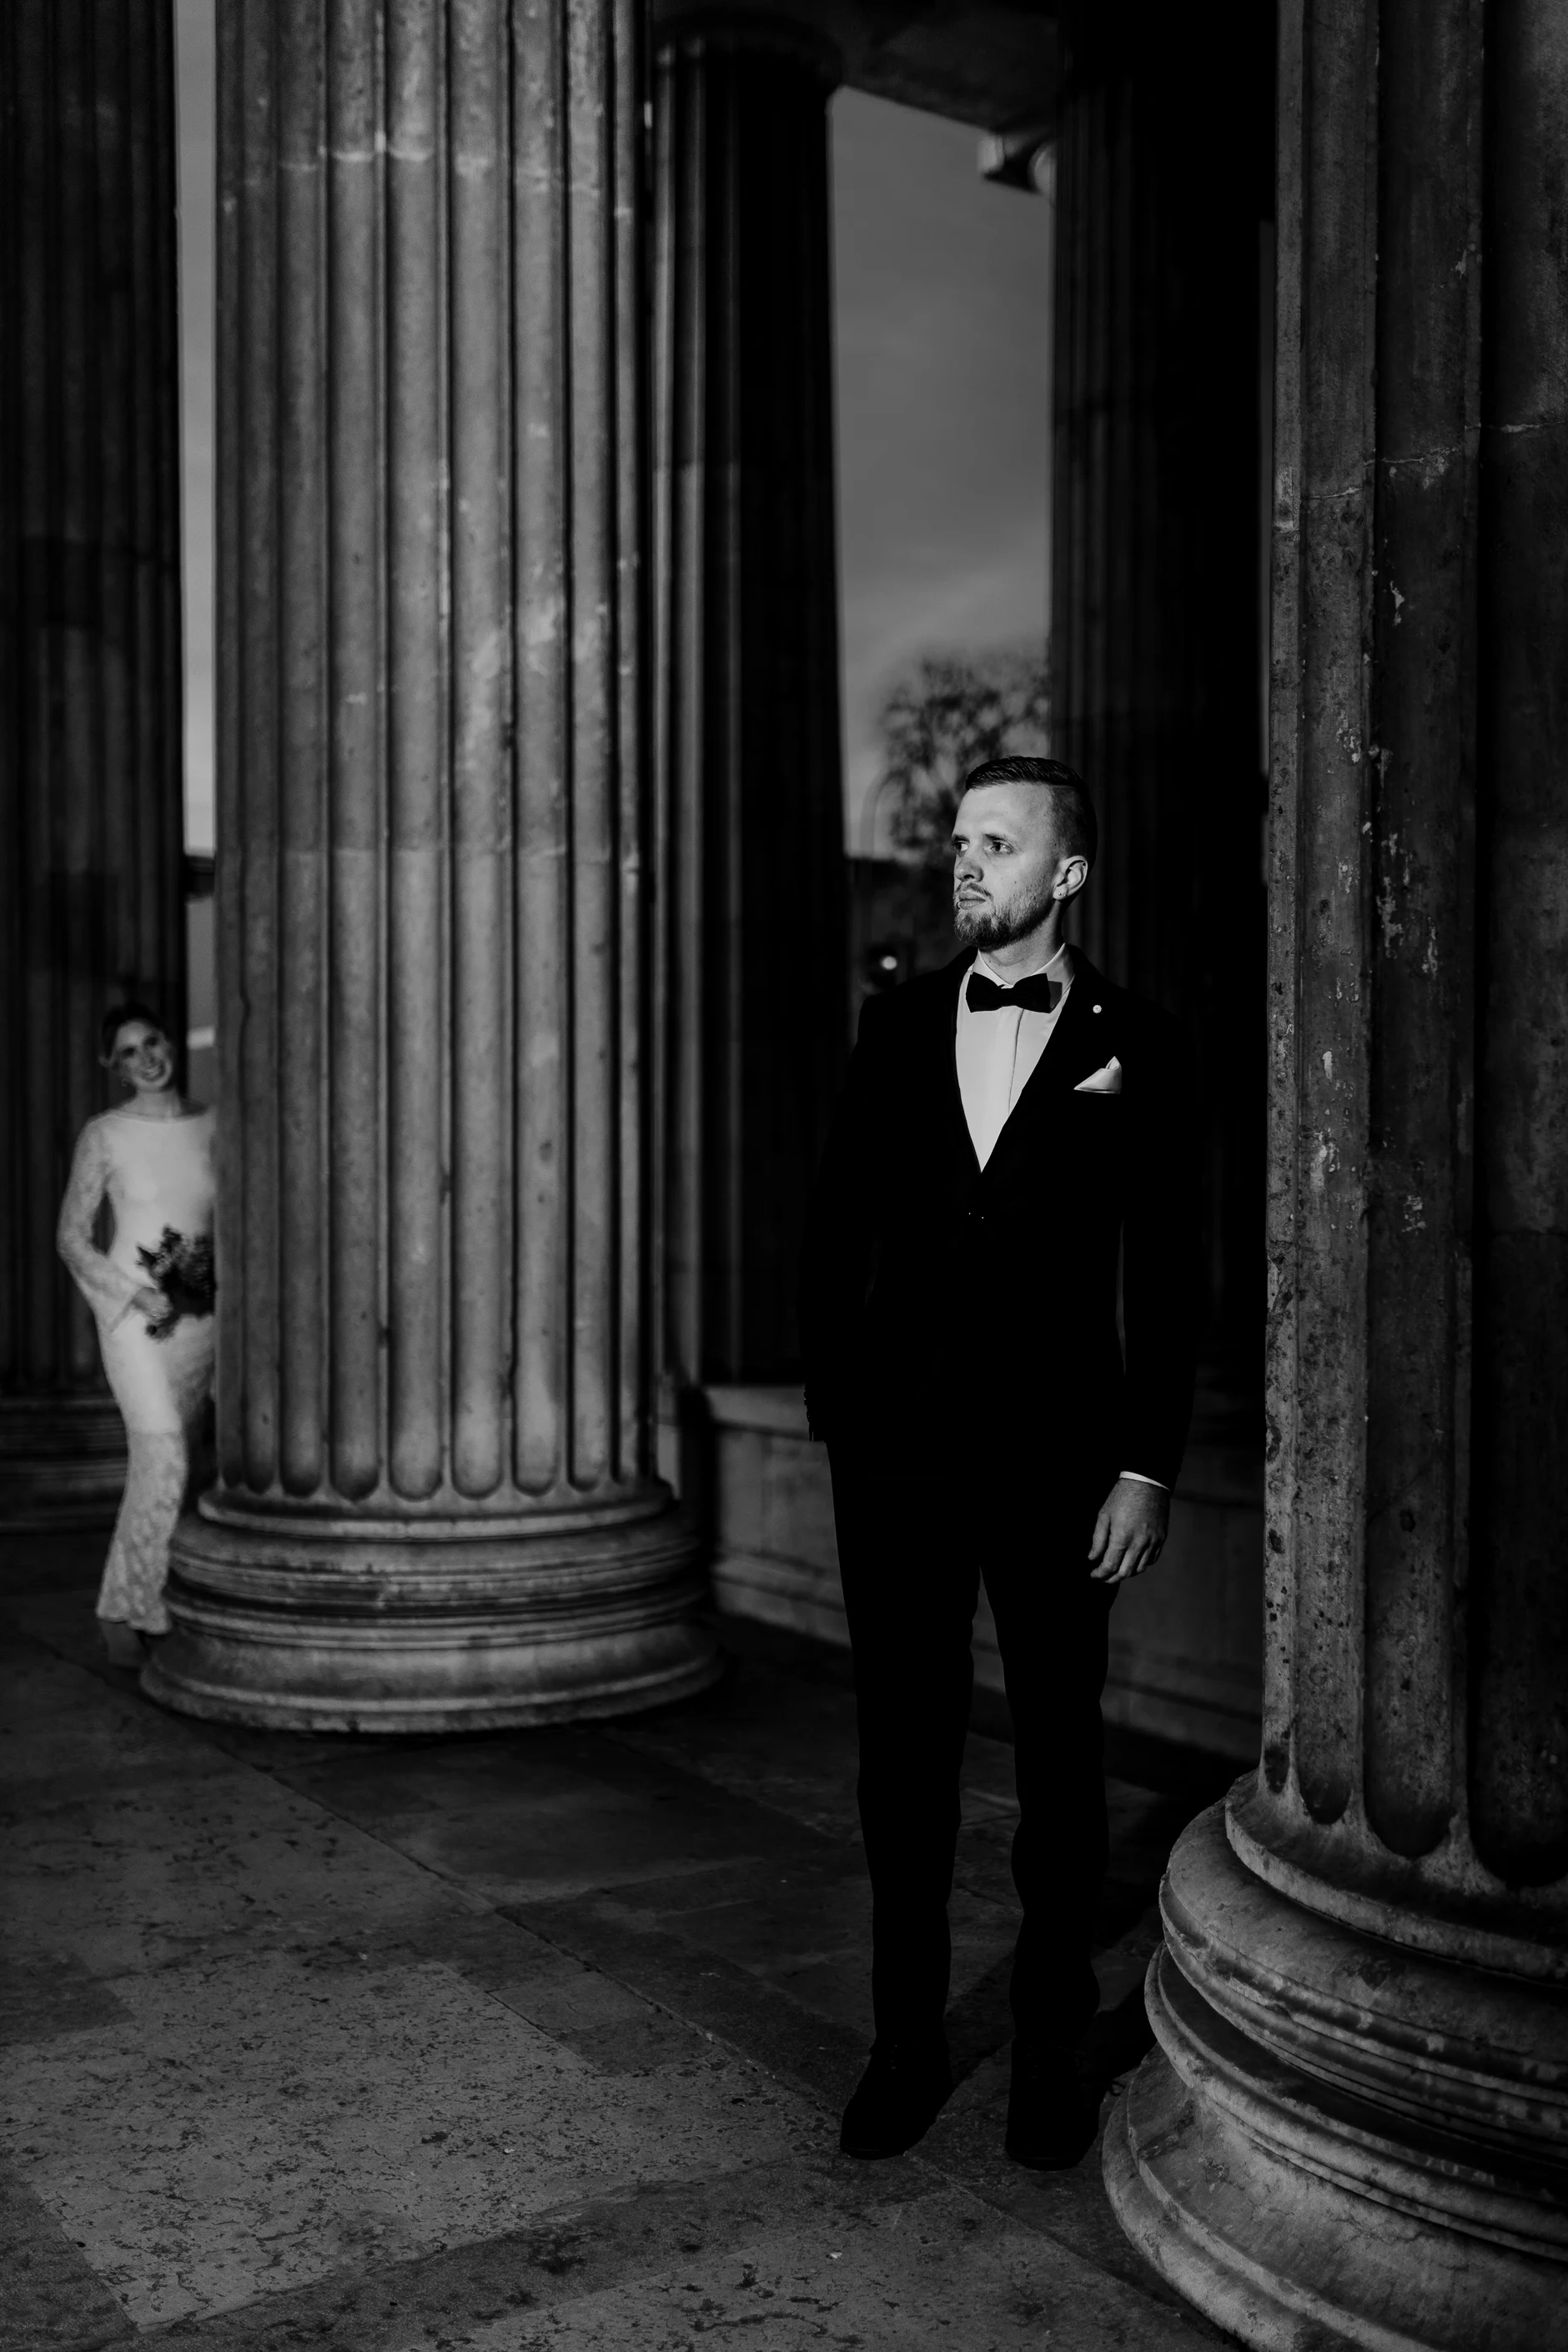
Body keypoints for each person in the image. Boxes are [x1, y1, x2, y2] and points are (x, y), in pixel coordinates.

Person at [799, 756, 1199, 2169]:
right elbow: (837, 1225)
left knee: (1063, 1772)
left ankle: (1045, 2054)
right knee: (897, 1765)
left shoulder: (1135, 1040)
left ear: (1066, 874)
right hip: (895, 1463)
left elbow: (1171, 1276)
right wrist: (835, 1404)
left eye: (998, 842)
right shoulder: (895, 1022)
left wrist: (1145, 1468)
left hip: (1058, 1467)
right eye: (959, 839)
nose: (966, 862)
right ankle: (903, 2044)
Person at [57, 1004, 217, 1668]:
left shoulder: (216, 1125)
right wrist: (134, 1293)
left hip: (203, 1320)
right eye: (127, 1052)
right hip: (136, 1320)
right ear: (112, 1067)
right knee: (165, 1458)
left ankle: (119, 1605)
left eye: (151, 1042)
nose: (146, 1057)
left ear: (169, 1043)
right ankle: (143, 1611)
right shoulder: (105, 1134)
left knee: (167, 1470)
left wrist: (216, 1285)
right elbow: (70, 1237)